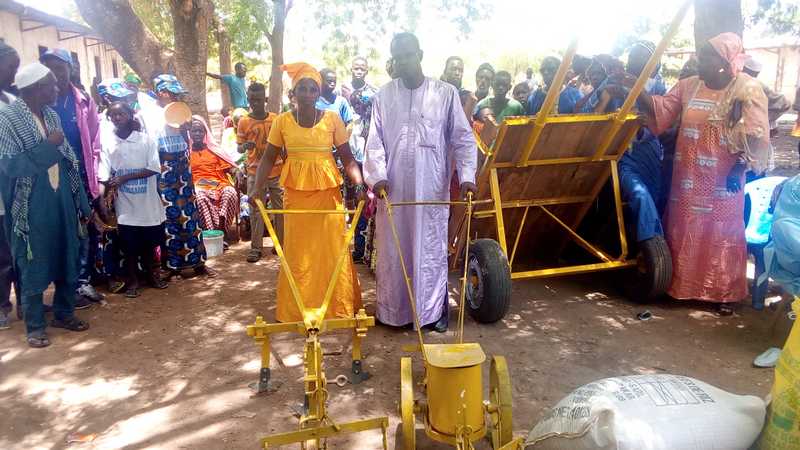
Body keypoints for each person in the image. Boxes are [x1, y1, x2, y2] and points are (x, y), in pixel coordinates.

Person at [637, 32, 770, 314]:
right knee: (686, 227)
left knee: (721, 232)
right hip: (687, 175)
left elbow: (756, 132)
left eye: (707, 57)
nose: (700, 62)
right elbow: (662, 110)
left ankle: (724, 293)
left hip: (724, 178)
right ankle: (681, 287)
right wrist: (635, 88)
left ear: (724, 62)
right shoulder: (688, 85)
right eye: (701, 56)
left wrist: (739, 167)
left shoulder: (746, 88)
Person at [364, 32, 478, 332]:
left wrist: (467, 176)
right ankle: (394, 312)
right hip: (394, 191)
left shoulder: (445, 94)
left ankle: (431, 313)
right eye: (397, 57)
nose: (403, 62)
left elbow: (464, 139)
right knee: (394, 250)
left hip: (431, 190)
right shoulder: (383, 96)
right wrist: (377, 178)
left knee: (429, 249)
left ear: (420, 55)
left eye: (408, 55)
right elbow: (374, 142)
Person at [250, 62, 364, 323]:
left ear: (318, 93)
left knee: (332, 247)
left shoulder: (333, 120)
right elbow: (268, 159)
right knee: (298, 250)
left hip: (328, 195)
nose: (308, 94)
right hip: (296, 195)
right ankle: (297, 309)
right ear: (294, 92)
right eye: (303, 88)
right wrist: (257, 188)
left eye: (313, 89)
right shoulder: (282, 122)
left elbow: (347, 158)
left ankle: (338, 308)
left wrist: (358, 184)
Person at [0, 63, 91, 347]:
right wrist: (49, 146)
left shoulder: (51, 115)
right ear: (36, 88)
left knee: (68, 252)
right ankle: (35, 326)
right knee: (33, 262)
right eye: (52, 84)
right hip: (30, 202)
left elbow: (67, 157)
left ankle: (64, 313)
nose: (57, 88)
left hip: (61, 194)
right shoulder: (7, 119)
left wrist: (81, 202)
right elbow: (11, 167)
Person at [40, 48, 104, 308]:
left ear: (70, 69)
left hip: (81, 174)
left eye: (59, 67)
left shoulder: (84, 101)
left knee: (85, 228)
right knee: (59, 231)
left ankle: (82, 282)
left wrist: (96, 176)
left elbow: (95, 141)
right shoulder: (40, 101)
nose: (55, 73)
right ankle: (64, 285)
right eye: (49, 68)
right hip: (52, 178)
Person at [147, 74, 214, 278]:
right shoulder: (149, 114)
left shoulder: (180, 111)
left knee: (191, 214)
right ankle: (172, 266)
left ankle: (198, 262)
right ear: (162, 93)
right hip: (164, 168)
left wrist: (186, 131)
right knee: (169, 217)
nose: (177, 97)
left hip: (183, 168)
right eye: (173, 93)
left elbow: (186, 142)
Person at [98, 101, 167, 298]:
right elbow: (104, 174)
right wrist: (101, 199)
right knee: (128, 245)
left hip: (147, 202)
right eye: (113, 115)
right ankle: (133, 280)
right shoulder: (108, 143)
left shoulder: (146, 140)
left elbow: (153, 168)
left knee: (149, 242)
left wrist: (125, 178)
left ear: (130, 115)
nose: (117, 118)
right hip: (125, 203)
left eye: (121, 114)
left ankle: (151, 275)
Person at [238, 83, 281, 262]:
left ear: (265, 99)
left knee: (280, 209)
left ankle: (281, 244)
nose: (255, 103)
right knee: (255, 209)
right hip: (255, 172)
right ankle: (256, 248)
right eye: (252, 100)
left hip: (277, 171)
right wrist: (244, 147)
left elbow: (282, 142)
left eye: (258, 99)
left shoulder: (275, 119)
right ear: (248, 100)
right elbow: (239, 147)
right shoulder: (243, 121)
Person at [341, 57, 378, 262]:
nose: (359, 71)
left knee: (367, 200)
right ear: (351, 69)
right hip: (347, 155)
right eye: (356, 68)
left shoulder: (374, 93)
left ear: (367, 70)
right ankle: (353, 245)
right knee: (351, 201)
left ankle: (364, 248)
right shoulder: (340, 92)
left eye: (362, 68)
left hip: (367, 154)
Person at [189, 115, 239, 240]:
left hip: (218, 183)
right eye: (194, 131)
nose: (197, 134)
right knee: (201, 197)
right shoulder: (187, 153)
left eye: (200, 131)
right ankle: (212, 235)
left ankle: (222, 230)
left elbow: (229, 167)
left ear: (205, 133)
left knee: (230, 192)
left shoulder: (214, 150)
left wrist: (238, 171)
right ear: (189, 133)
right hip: (198, 184)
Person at [0, 42, 20, 329]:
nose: (14, 74)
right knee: (2, 254)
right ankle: (3, 305)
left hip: (18, 188)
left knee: (21, 250)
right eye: (11, 67)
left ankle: (27, 301)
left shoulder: (13, 101)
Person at [442, 56, 478, 121]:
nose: (457, 73)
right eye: (453, 69)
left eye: (461, 71)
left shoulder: (467, 97)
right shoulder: (436, 93)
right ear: (445, 72)